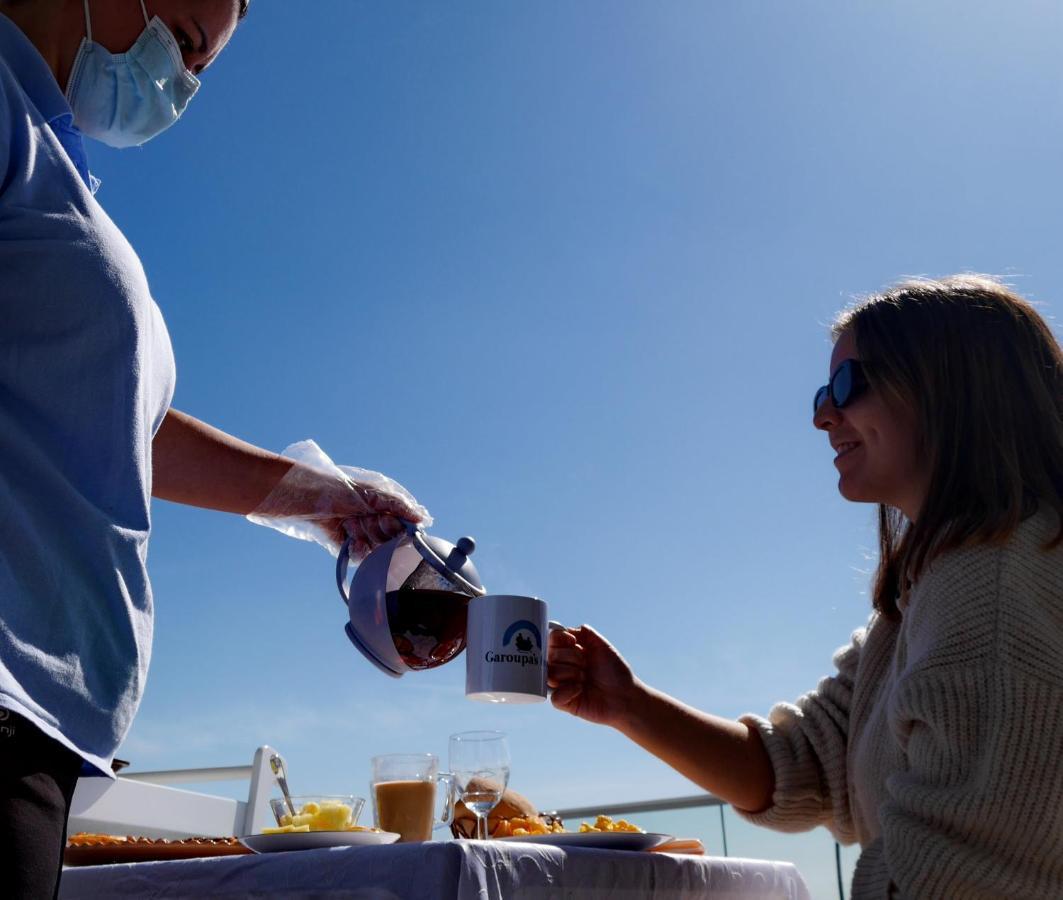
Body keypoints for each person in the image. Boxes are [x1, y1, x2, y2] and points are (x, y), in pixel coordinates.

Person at [0, 2, 425, 895]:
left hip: (43, 733)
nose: (180, 86)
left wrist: (319, 496)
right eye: (185, 46)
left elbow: (121, 421)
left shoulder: (51, 148)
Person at [548, 276, 1063, 899]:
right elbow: (811, 763)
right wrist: (628, 704)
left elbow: (958, 877)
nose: (822, 416)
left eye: (847, 385)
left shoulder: (993, 591)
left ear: (949, 388)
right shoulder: (932, 590)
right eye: (824, 391)